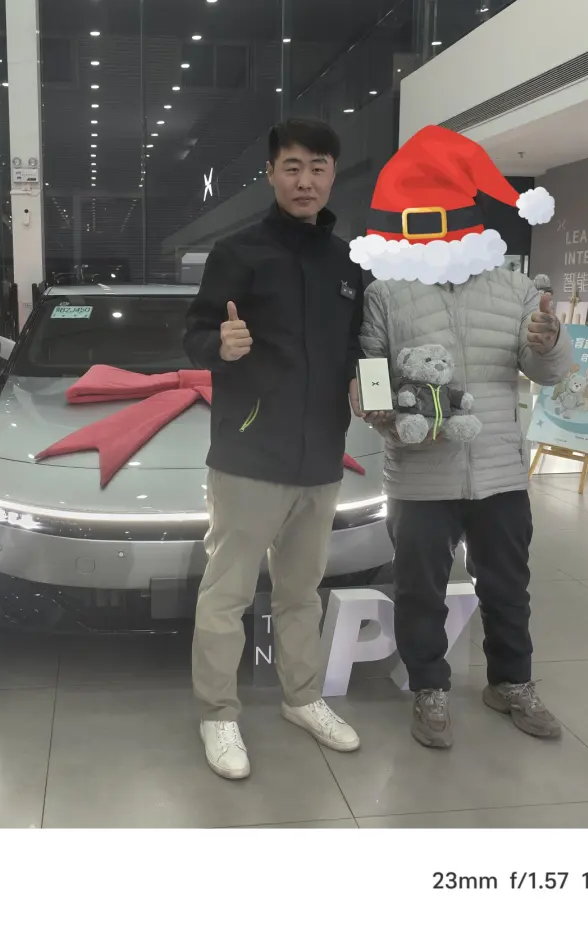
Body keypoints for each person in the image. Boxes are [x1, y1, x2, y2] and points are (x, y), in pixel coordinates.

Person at [348, 124, 572, 750]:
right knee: (419, 589)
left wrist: (551, 343)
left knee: (508, 585)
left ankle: (512, 682)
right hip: (418, 473)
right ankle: (430, 687)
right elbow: (370, 364)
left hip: (499, 469)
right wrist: (376, 408)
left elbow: (548, 371)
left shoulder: (518, 290)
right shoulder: (386, 294)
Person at [183, 118, 364, 780]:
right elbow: (195, 335)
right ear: (270, 174)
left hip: (321, 458)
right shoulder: (238, 253)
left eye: (317, 167)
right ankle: (217, 712)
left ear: (332, 175)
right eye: (292, 167)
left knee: (301, 592)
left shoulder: (347, 263)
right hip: (250, 456)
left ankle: (302, 697)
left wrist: (365, 384)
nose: (304, 180)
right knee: (226, 593)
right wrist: (219, 346)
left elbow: (357, 348)